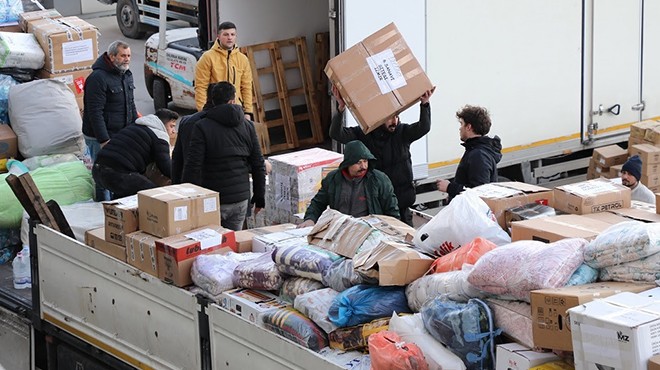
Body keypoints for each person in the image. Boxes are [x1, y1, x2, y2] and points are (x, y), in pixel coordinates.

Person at [329, 85, 435, 226]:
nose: (394, 122)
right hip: (376, 205)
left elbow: (424, 127)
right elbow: (336, 133)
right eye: (390, 118)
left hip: (402, 203)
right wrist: (341, 108)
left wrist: (425, 104)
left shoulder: (402, 132)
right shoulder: (363, 134)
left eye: (396, 116)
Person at [181, 82, 266, 231]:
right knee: (233, 244)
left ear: (212, 101)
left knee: (213, 245)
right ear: (233, 100)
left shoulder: (202, 127)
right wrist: (259, 198)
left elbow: (192, 166)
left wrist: (187, 200)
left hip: (213, 201)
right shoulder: (247, 126)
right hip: (240, 198)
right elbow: (258, 164)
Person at [83, 40, 138, 201]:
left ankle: (116, 205)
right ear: (112, 56)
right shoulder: (97, 78)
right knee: (103, 174)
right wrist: (104, 139)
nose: (126, 59)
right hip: (99, 136)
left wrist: (135, 129)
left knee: (118, 172)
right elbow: (94, 112)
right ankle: (102, 207)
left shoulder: (126, 75)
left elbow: (131, 104)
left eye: (128, 55)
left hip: (120, 133)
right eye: (122, 56)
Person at [298, 140, 400, 228]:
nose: (363, 166)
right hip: (340, 229)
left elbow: (392, 211)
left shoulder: (379, 180)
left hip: (370, 231)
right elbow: (318, 203)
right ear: (348, 163)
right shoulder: (333, 179)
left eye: (365, 161)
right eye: (358, 162)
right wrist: (310, 219)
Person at [92, 109, 179, 199]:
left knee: (124, 197)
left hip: (97, 170)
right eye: (171, 126)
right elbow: (165, 166)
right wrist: (183, 178)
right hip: (117, 174)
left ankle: (116, 211)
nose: (174, 131)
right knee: (155, 195)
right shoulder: (160, 135)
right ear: (162, 124)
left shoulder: (137, 126)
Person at [436, 105, 502, 202]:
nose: (460, 129)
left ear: (468, 127)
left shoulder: (479, 155)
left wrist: (450, 187)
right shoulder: (475, 150)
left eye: (461, 124)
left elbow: (479, 193)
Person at [194, 21, 253, 120]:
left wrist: (248, 112)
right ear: (218, 36)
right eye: (226, 34)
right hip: (215, 110)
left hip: (236, 109)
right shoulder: (208, 58)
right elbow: (200, 87)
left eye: (232, 34)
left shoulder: (242, 59)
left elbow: (246, 87)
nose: (229, 38)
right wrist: (202, 112)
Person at [171, 83, 218, 184]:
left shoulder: (186, 122)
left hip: (190, 184)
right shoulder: (228, 124)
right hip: (216, 184)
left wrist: (175, 185)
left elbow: (177, 158)